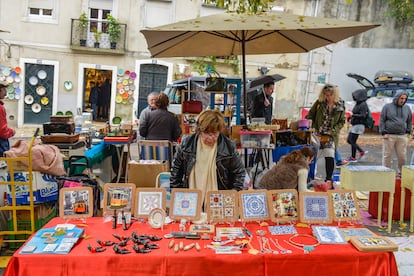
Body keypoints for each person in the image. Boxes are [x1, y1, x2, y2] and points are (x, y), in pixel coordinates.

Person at [170, 109, 245, 204]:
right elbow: (175, 172)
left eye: (214, 134)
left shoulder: (229, 147)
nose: (210, 138)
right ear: (199, 130)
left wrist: (231, 198)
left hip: (219, 200)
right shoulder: (186, 144)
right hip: (189, 200)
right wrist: (178, 197)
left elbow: (239, 173)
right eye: (207, 133)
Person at [306, 84, 346, 184]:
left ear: (334, 95)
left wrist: (333, 130)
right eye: (326, 95)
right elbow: (310, 115)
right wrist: (313, 128)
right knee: (313, 156)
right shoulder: (319, 103)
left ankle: (329, 179)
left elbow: (342, 121)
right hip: (317, 134)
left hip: (330, 135)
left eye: (330, 95)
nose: (328, 98)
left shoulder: (340, 105)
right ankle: (309, 177)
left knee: (330, 155)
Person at [379, 90, 412, 173]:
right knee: (387, 155)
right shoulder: (387, 107)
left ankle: (401, 172)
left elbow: (409, 121)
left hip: (402, 135)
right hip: (389, 135)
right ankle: (386, 171)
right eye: (401, 98)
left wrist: (408, 131)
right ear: (397, 98)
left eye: (405, 98)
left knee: (402, 156)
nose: (403, 100)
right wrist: (383, 132)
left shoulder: (407, 108)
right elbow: (382, 120)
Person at [346, 89, 369, 162]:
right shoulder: (358, 103)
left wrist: (353, 115)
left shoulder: (363, 104)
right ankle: (357, 154)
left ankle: (356, 155)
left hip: (359, 125)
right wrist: (351, 116)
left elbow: (362, 115)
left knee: (351, 140)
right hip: (355, 124)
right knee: (350, 140)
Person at [0, 81, 16, 157]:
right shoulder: (0, 108)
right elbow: (2, 131)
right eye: (4, 90)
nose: (6, 93)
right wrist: (12, 131)